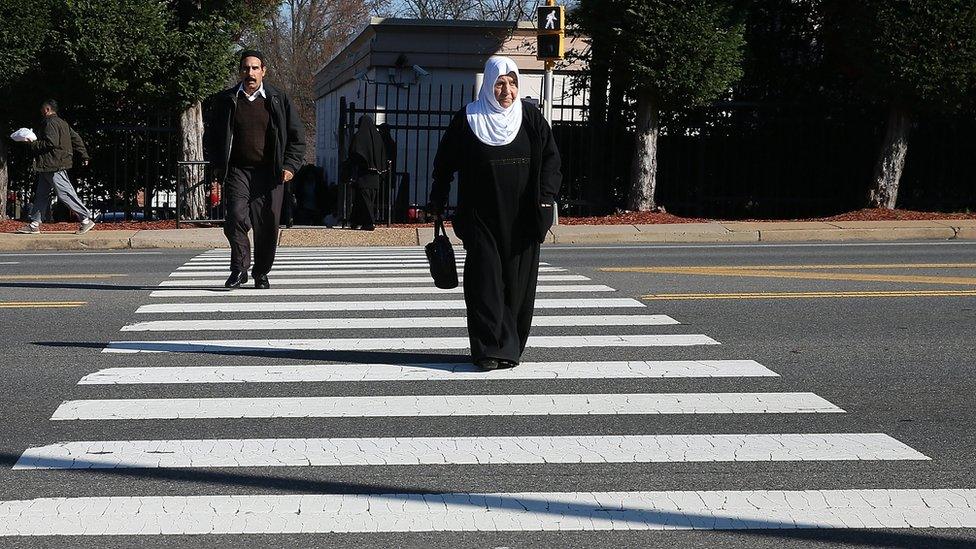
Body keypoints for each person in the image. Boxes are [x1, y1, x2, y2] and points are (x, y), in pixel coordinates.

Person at [428, 56, 562, 371]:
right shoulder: (468, 119)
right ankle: (487, 349)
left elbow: (551, 163)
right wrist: (437, 198)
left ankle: (510, 347)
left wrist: (544, 202)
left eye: (512, 83)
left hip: (523, 219)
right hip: (480, 217)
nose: (507, 91)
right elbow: (444, 164)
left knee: (518, 286)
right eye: (500, 83)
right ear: (489, 84)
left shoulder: (530, 117)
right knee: (484, 283)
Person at [204, 49, 305, 289]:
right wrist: (218, 167)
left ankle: (261, 272)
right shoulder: (227, 101)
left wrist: (290, 165)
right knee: (235, 218)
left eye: (255, 68)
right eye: (246, 68)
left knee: (267, 225)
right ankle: (239, 269)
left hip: (269, 173)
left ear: (263, 71)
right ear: (240, 72)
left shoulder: (278, 99)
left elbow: (296, 137)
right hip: (238, 170)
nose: (250, 73)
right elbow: (213, 137)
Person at [14, 100, 95, 235]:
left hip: (53, 164)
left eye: (42, 110)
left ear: (47, 109)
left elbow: (51, 143)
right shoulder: (63, 123)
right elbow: (76, 138)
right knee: (41, 195)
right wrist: (84, 155)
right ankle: (34, 224)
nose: (41, 112)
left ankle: (86, 219)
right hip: (50, 165)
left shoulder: (50, 123)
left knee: (65, 193)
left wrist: (32, 143)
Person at [347, 115, 388, 231]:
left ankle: (370, 222)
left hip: (363, 174)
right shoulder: (378, 137)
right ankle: (356, 221)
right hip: (375, 176)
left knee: (365, 200)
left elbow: (353, 154)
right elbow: (383, 155)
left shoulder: (358, 137)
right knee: (364, 200)